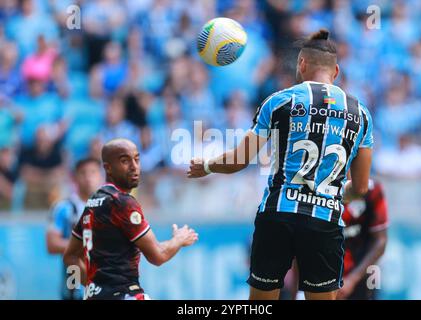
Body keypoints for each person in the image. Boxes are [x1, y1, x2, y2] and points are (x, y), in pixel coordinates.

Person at [188, 29, 373, 300]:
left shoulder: (279, 101)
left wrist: (206, 166)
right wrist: (340, 195)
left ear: (301, 65)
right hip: (325, 221)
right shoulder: (361, 114)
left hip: (278, 216)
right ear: (335, 71)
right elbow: (360, 187)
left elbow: (239, 160)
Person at [63, 138, 198, 300]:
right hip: (125, 294)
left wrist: (94, 286)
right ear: (108, 168)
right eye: (125, 161)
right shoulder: (122, 203)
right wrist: (179, 239)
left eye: (137, 159)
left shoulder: (93, 202)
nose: (134, 167)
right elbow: (158, 256)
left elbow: (70, 257)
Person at [282, 179, 388, 300]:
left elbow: (380, 241)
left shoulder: (372, 190)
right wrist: (296, 290)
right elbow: (300, 243)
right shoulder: (312, 188)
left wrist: (352, 280)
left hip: (359, 281)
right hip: (318, 281)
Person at [46, 158, 103, 300]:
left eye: (93, 172)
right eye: (83, 173)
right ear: (75, 178)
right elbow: (52, 244)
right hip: (73, 285)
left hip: (104, 285)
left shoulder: (110, 207)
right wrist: (88, 243)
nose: (88, 177)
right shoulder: (63, 208)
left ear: (101, 177)